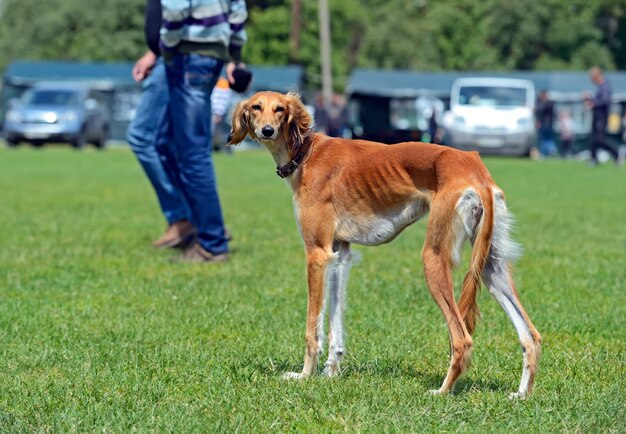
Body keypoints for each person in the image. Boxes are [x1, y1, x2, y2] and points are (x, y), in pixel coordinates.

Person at [160, 0, 248, 263]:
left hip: (189, 55)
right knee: (173, 144)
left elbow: (175, 8)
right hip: (213, 57)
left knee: (194, 155)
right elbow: (238, 10)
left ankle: (212, 243)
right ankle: (206, 231)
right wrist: (235, 55)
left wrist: (168, 44)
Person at [126, 0, 195, 249]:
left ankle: (183, 218)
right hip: (167, 56)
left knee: (140, 137)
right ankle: (195, 219)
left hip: (174, 58)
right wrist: (152, 53)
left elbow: (180, 11)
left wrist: (163, 50)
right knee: (165, 144)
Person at [585, 67, 626, 166]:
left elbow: (604, 101)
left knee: (599, 139)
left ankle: (616, 154)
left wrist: (593, 103)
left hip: (601, 116)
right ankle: (593, 159)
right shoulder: (601, 87)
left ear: (598, 76)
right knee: (594, 139)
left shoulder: (605, 87)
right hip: (597, 115)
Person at [535, 90, 557, 158]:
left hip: (545, 124)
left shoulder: (548, 103)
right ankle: (549, 151)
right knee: (546, 138)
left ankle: (548, 151)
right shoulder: (548, 103)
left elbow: (540, 110)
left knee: (544, 138)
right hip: (547, 123)